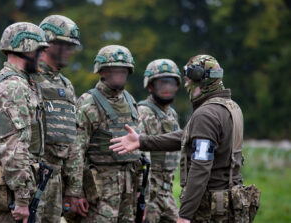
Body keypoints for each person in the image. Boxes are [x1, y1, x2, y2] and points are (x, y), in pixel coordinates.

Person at [110, 55, 260, 222]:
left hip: (212, 207)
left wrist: (184, 215)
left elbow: (201, 166)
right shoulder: (231, 107)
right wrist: (142, 141)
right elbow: (189, 136)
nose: (186, 85)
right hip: (231, 200)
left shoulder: (206, 114)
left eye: (188, 80)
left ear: (199, 80)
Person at [0, 22, 49, 223]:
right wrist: (23, 200)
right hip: (11, 190)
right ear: (25, 49)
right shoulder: (14, 87)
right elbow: (13, 147)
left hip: (9, 185)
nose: (42, 57)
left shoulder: (18, 82)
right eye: (39, 50)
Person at [75, 45, 142, 222]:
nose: (119, 74)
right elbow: (76, 151)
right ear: (102, 71)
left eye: (123, 70)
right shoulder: (89, 102)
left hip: (128, 188)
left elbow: (140, 149)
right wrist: (76, 192)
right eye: (114, 70)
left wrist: (140, 188)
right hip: (99, 190)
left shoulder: (130, 101)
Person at [32, 15, 88, 222]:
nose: (69, 51)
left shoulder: (66, 85)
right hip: (33, 175)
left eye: (71, 46)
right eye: (62, 45)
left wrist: (73, 188)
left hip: (55, 177)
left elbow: (72, 139)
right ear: (45, 43)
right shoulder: (28, 79)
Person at [137, 59, 181, 223]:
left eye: (171, 83)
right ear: (150, 86)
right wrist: (142, 197)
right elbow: (140, 158)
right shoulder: (143, 112)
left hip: (167, 192)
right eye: (161, 83)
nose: (166, 88)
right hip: (150, 195)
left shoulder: (172, 114)